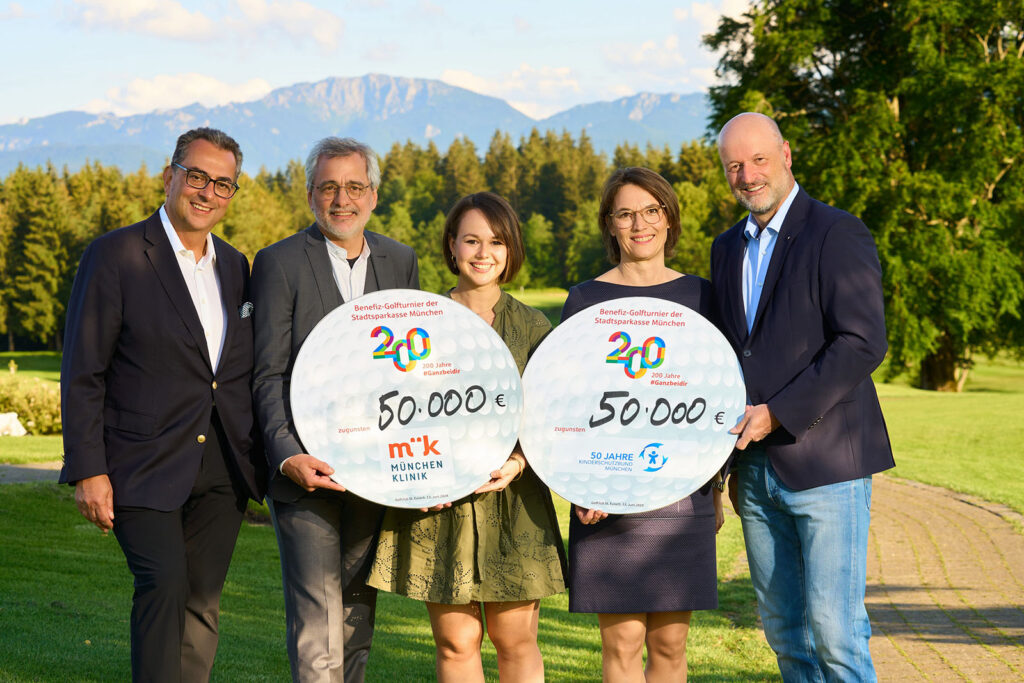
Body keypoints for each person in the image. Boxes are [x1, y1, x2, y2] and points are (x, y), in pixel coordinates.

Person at [59, 127, 267, 682]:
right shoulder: (116, 254)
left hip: (222, 466)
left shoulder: (235, 267)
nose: (207, 192)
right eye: (197, 176)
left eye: (223, 184)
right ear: (170, 175)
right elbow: (83, 371)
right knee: (164, 584)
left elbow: (233, 372)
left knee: (202, 600)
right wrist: (89, 469)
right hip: (140, 464)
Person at [711, 112, 894, 681]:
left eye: (758, 159)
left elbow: (863, 341)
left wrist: (778, 414)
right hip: (754, 470)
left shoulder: (836, 232)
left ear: (786, 155)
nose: (748, 175)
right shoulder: (725, 248)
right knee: (785, 632)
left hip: (828, 465)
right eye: (734, 166)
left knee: (836, 633)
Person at [368, 192, 566, 683]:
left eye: (496, 241)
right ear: (451, 246)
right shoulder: (417, 321)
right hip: (439, 504)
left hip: (514, 500)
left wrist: (518, 462)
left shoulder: (534, 326)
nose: (483, 253)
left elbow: (552, 420)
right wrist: (414, 478)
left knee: (514, 638)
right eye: (471, 240)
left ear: (511, 248)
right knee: (456, 642)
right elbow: (389, 410)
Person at [251, 137, 419, 683]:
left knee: (355, 612)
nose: (341, 199)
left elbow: (410, 371)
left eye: (353, 186)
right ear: (309, 196)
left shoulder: (400, 261)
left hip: (376, 470)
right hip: (307, 471)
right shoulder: (278, 263)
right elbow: (268, 373)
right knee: (317, 617)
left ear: (373, 195)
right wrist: (287, 456)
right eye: (328, 187)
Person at [562, 167, 725, 683]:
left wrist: (716, 489)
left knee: (671, 646)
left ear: (669, 219)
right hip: (607, 491)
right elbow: (567, 405)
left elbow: (717, 396)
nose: (640, 224)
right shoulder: (583, 301)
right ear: (609, 225)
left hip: (683, 492)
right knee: (623, 645)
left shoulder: (705, 297)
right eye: (626, 213)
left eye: (651, 210)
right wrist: (581, 484)